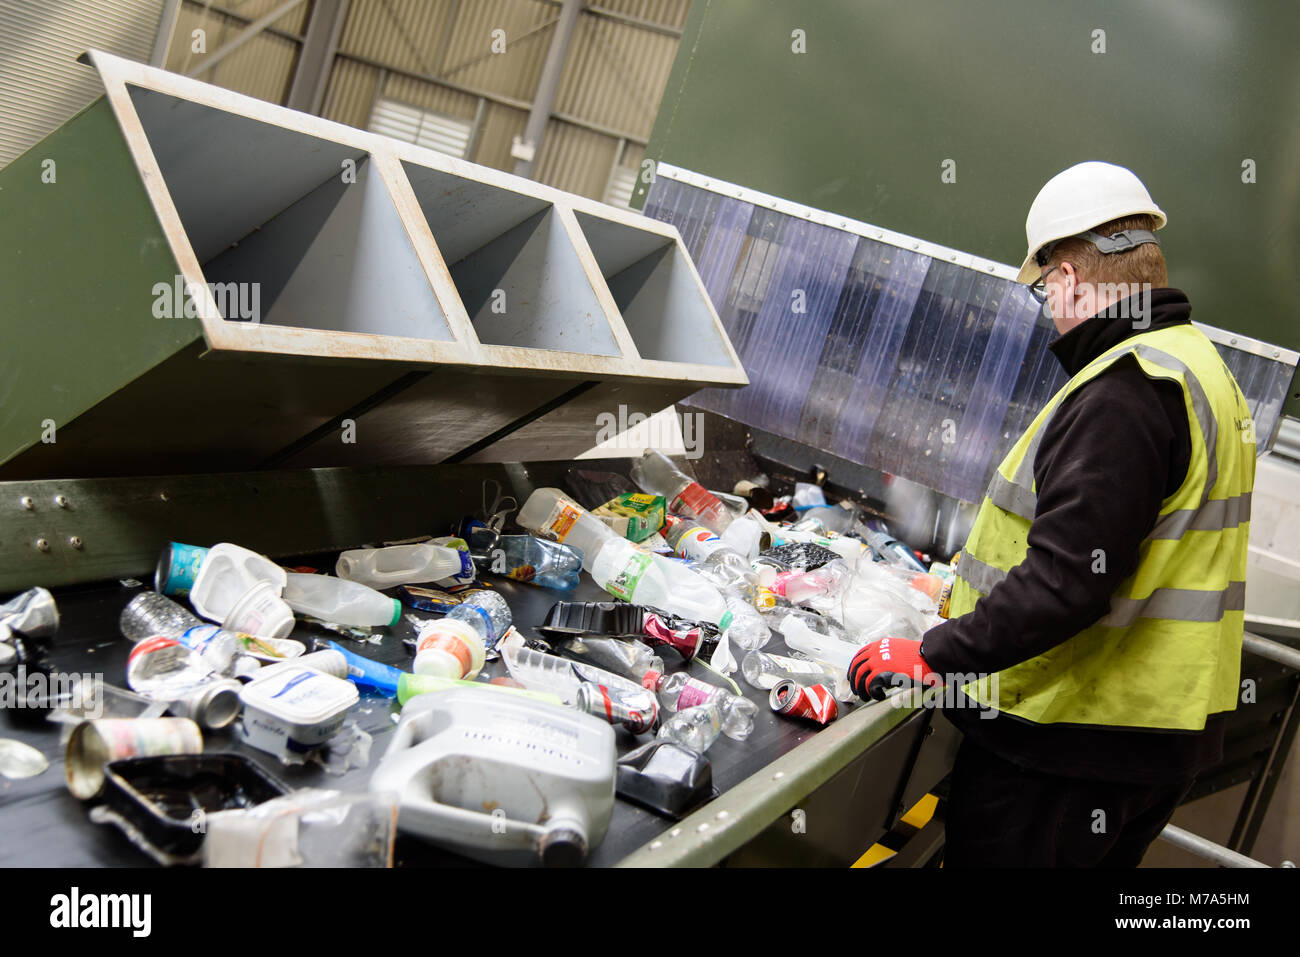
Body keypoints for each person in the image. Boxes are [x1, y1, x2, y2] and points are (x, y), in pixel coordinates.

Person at [848, 161, 1257, 867]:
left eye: (1045, 294)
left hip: (1067, 748)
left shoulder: (1124, 390)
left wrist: (934, 652)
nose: (1052, 314)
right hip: (1148, 742)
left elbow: (1068, 580)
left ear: (1066, 280)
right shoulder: (1201, 371)